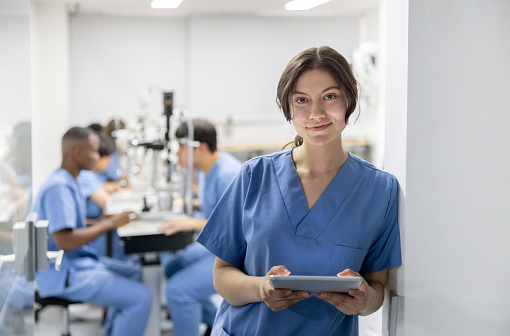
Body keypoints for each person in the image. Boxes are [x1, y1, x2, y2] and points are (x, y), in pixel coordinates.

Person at [196, 46, 401, 335]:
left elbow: (377, 288)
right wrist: (260, 288)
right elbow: (222, 276)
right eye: (302, 100)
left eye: (329, 96)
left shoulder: (379, 190)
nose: (316, 113)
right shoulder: (254, 176)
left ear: (350, 97)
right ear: (288, 108)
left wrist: (364, 300)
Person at [34, 126, 152, 336]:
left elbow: (67, 225)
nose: (98, 157)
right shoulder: (59, 186)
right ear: (78, 152)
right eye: (94, 151)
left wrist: (99, 221)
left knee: (135, 273)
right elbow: (64, 241)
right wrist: (108, 224)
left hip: (79, 262)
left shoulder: (69, 179)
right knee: (142, 298)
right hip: (64, 273)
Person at [158, 119, 242, 336]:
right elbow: (216, 206)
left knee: (178, 291)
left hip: (234, 253)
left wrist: (193, 222)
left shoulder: (226, 174)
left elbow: (237, 226)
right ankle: (216, 324)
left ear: (201, 148)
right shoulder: (207, 170)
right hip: (216, 245)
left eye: (182, 147)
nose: (177, 154)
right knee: (171, 268)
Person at [77, 130, 127, 259]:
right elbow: (109, 204)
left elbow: (101, 186)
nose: (110, 161)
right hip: (94, 239)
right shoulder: (86, 175)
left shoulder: (90, 175)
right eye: (107, 156)